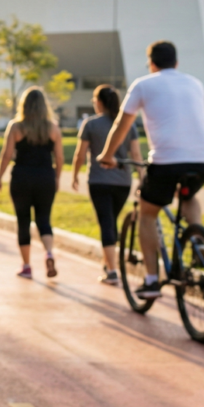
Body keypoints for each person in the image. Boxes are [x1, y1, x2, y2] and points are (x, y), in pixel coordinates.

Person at [98, 40, 204, 300]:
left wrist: (107, 155)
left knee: (147, 212)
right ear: (176, 62)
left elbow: (121, 124)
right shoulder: (195, 83)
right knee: (187, 193)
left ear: (151, 63)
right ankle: (197, 241)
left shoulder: (143, 84)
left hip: (166, 161)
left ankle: (152, 280)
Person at [71, 85, 143, 285]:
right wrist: (142, 177)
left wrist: (74, 175)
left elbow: (80, 153)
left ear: (99, 102)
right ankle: (108, 261)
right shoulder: (129, 124)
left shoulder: (90, 124)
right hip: (123, 181)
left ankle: (112, 271)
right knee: (111, 220)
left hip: (98, 180)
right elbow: (136, 154)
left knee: (106, 223)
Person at [0, 87, 64, 280]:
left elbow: (6, 155)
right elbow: (59, 158)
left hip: (22, 178)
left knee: (23, 221)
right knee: (44, 219)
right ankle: (49, 252)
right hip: (45, 178)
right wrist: (57, 178)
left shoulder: (16, 127)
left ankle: (26, 266)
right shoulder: (53, 128)